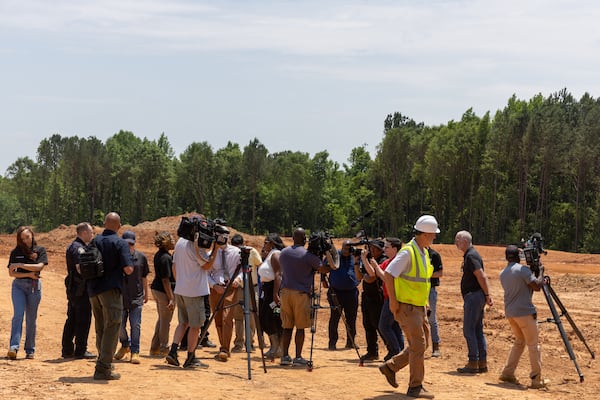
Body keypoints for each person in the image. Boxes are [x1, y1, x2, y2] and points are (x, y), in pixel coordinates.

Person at [378, 215, 439, 399]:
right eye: (433, 234)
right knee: (418, 345)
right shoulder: (408, 252)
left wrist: (425, 303)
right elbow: (389, 274)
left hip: (419, 306)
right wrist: (394, 302)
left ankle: (391, 367)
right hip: (407, 307)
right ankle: (415, 387)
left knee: (422, 344)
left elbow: (422, 281)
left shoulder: (424, 252)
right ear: (425, 234)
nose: (434, 237)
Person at [166, 220, 218, 369]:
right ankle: (191, 357)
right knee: (195, 326)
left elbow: (174, 267)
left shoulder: (180, 243)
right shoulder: (195, 248)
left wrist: (182, 282)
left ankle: (173, 352)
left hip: (181, 290)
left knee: (183, 323)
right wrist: (216, 249)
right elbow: (207, 265)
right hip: (195, 292)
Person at [88, 212, 134, 380]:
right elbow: (129, 269)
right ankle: (103, 368)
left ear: (105, 223)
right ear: (118, 225)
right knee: (113, 326)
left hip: (93, 290)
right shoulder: (120, 243)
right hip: (111, 290)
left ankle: (103, 361)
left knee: (100, 327)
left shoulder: (95, 240)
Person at [499, 245, 549, 389]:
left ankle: (508, 373)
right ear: (517, 256)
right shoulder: (523, 271)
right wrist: (540, 271)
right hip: (525, 313)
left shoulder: (503, 273)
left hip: (511, 313)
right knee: (533, 345)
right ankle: (536, 379)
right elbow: (537, 286)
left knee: (519, 342)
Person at [278, 227, 327, 366]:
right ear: (304, 239)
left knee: (287, 327)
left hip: (285, 292)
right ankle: (298, 357)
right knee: (300, 327)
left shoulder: (283, 253)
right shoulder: (308, 255)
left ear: (293, 238)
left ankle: (285, 356)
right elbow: (322, 268)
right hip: (300, 294)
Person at [454, 230, 494, 374]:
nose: (456, 243)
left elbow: (481, 276)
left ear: (465, 241)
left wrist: (487, 294)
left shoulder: (471, 256)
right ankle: (481, 363)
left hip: (474, 297)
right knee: (477, 330)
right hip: (476, 296)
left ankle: (473, 362)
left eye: (458, 240)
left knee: (469, 330)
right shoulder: (470, 255)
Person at [7, 226, 48, 360]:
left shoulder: (40, 250)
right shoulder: (15, 251)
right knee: (18, 315)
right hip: (18, 286)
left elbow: (40, 266)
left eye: (27, 237)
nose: (25, 241)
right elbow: (11, 273)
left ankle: (30, 349)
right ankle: (13, 347)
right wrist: (30, 273)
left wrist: (20, 265)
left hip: (34, 287)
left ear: (32, 235)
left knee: (31, 319)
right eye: (22, 239)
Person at [362, 237, 405, 361]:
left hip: (393, 298)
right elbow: (372, 273)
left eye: (387, 247)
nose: (384, 249)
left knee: (384, 326)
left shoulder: (396, 262)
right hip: (388, 297)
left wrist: (377, 267)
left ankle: (395, 351)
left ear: (395, 249)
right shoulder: (389, 261)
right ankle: (400, 352)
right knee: (394, 326)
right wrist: (365, 259)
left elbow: (386, 278)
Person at [61, 222, 96, 360]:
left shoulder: (74, 246)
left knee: (72, 318)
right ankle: (80, 350)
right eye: (91, 232)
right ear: (84, 233)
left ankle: (67, 349)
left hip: (74, 288)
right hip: (80, 289)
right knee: (83, 319)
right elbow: (80, 269)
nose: (92, 235)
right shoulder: (79, 249)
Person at [114, 231, 149, 364]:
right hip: (120, 297)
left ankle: (135, 351)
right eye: (126, 244)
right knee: (119, 325)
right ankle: (125, 345)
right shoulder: (117, 259)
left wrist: (147, 293)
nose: (129, 246)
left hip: (136, 297)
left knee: (135, 325)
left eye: (131, 244)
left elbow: (144, 276)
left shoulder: (141, 257)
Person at [207, 225, 242, 362]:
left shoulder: (236, 252)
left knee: (227, 319)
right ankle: (223, 345)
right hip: (216, 289)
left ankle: (225, 349)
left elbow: (243, 270)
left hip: (231, 289)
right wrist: (214, 286)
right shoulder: (211, 254)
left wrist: (238, 280)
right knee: (218, 318)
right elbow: (206, 272)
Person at [355, 239, 387, 361]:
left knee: (380, 325)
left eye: (375, 248)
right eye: (371, 248)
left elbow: (371, 277)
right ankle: (372, 351)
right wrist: (356, 263)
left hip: (377, 297)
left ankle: (392, 349)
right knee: (368, 324)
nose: (372, 251)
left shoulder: (382, 260)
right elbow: (359, 277)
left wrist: (364, 260)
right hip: (367, 295)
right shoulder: (368, 260)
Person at [325, 240, 359, 353]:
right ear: (342, 247)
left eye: (349, 249)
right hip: (336, 292)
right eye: (345, 248)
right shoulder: (335, 255)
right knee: (335, 318)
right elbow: (324, 268)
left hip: (351, 292)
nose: (346, 251)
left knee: (351, 318)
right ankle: (332, 342)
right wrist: (323, 281)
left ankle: (351, 342)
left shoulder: (355, 257)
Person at [231, 233, 262, 353]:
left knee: (252, 316)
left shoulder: (252, 251)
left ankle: (250, 342)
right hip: (239, 287)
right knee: (238, 316)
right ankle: (238, 342)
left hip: (251, 287)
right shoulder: (233, 253)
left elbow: (259, 264)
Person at [258, 233, 285, 360]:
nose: (264, 245)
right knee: (267, 318)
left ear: (272, 243)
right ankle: (275, 346)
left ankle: (277, 347)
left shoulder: (276, 254)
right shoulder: (269, 255)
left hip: (273, 290)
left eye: (266, 242)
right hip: (267, 289)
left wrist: (275, 293)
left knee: (269, 318)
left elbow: (278, 275)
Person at [149, 231, 176, 357]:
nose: (174, 240)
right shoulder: (166, 258)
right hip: (163, 290)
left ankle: (154, 347)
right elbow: (166, 280)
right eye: (171, 238)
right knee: (166, 321)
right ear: (166, 242)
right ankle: (164, 348)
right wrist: (171, 298)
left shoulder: (161, 255)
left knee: (162, 319)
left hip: (157, 289)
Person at [428, 247, 443, 358]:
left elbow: (440, 273)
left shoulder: (434, 255)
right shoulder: (415, 254)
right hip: (417, 289)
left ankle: (435, 346)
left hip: (430, 289)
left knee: (432, 319)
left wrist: (425, 274)